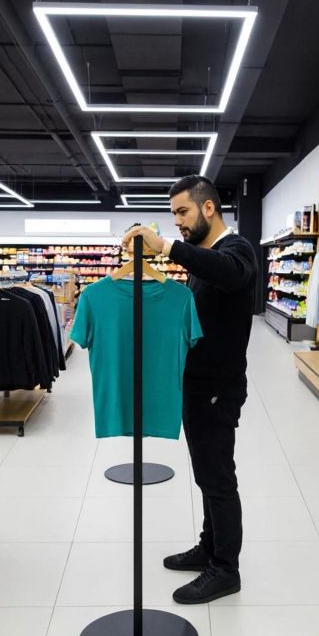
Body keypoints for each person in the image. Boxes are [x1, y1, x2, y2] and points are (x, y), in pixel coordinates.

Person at [122, 174, 259, 604]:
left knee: (218, 477)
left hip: (218, 389)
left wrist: (164, 247)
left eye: (182, 212)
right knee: (205, 473)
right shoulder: (203, 256)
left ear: (208, 208)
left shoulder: (237, 250)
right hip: (197, 386)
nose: (177, 221)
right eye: (173, 215)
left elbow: (231, 275)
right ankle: (209, 547)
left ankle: (226, 569)